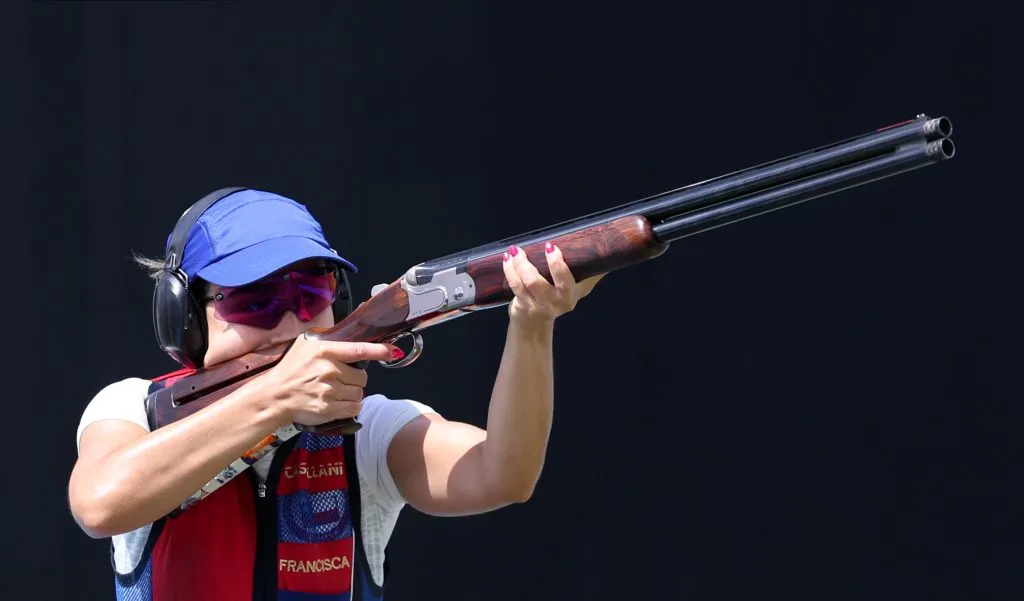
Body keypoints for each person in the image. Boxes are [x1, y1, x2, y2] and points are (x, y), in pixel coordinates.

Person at [67, 187, 603, 601]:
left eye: (311, 295)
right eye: (253, 302)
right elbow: (100, 504)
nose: (289, 324)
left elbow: (502, 475)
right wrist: (278, 398)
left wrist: (532, 325)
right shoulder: (133, 407)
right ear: (183, 315)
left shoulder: (368, 429)